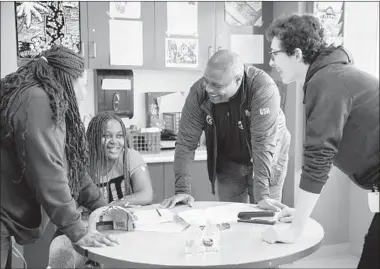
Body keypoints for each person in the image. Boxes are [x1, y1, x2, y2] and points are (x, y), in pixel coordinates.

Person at [262, 14, 379, 269]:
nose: (272, 62)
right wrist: (300, 215)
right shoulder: (331, 76)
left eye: (275, 54)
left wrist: (294, 230)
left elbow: (318, 159)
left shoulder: (326, 82)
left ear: (295, 53)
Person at [0, 46, 118, 269]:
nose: (84, 95)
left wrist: (103, 208)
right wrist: (78, 232)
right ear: (69, 80)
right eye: (84, 86)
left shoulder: (40, 97)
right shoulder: (37, 100)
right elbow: (49, 173)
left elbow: (70, 167)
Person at [161, 50, 291, 211]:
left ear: (238, 80)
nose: (208, 89)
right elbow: (185, 143)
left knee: (264, 215)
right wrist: (182, 190)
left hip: (267, 156)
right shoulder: (199, 92)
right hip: (229, 159)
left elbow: (262, 144)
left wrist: (263, 196)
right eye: (206, 81)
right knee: (231, 215)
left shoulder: (263, 88)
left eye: (216, 85)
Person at [48, 112, 153, 268]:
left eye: (119, 136)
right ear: (93, 139)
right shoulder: (80, 164)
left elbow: (146, 194)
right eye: (106, 136)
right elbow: (68, 210)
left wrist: (115, 205)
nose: (114, 142)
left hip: (117, 228)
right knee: (61, 251)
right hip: (83, 229)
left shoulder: (130, 157)